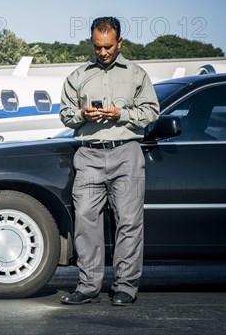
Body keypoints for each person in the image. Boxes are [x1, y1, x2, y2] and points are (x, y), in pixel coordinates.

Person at [59, 17, 159, 306]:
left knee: (129, 221)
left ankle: (126, 286)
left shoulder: (136, 74)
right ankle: (88, 287)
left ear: (120, 42)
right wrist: (82, 115)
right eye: (97, 47)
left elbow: (152, 111)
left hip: (126, 152)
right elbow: (65, 113)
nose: (102, 52)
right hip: (88, 155)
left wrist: (121, 114)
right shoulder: (78, 75)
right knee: (86, 221)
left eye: (108, 47)